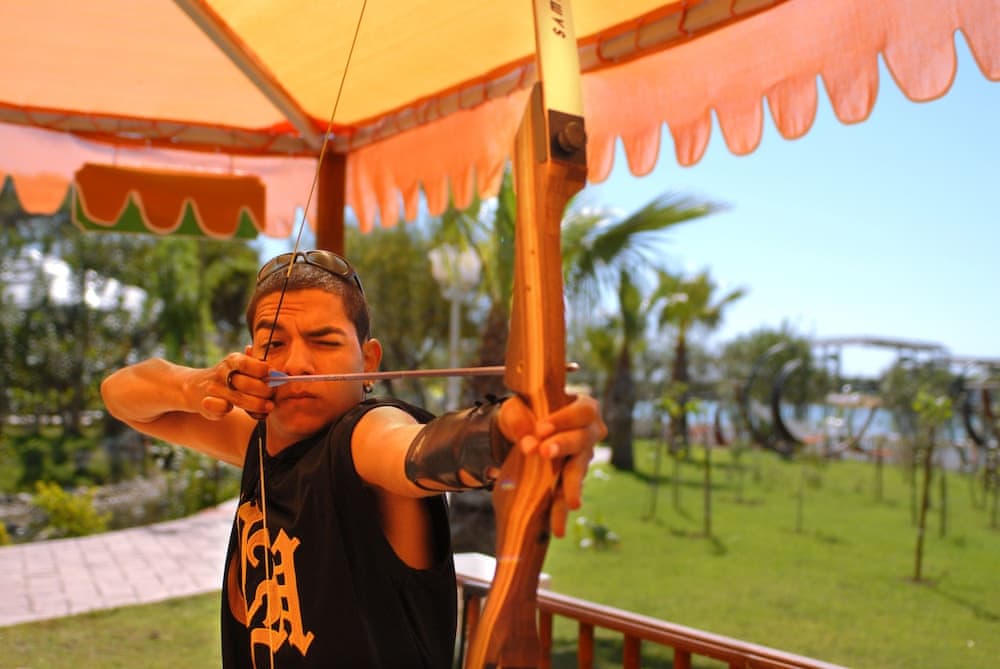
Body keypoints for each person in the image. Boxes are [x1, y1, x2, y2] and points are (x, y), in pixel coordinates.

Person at [100, 249, 607, 669]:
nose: (296, 363)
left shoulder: (362, 436)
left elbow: (411, 451)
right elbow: (120, 395)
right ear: (251, 358)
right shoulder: (259, 440)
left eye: (324, 342)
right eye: (273, 343)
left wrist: (510, 433)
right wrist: (198, 385)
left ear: (368, 362)